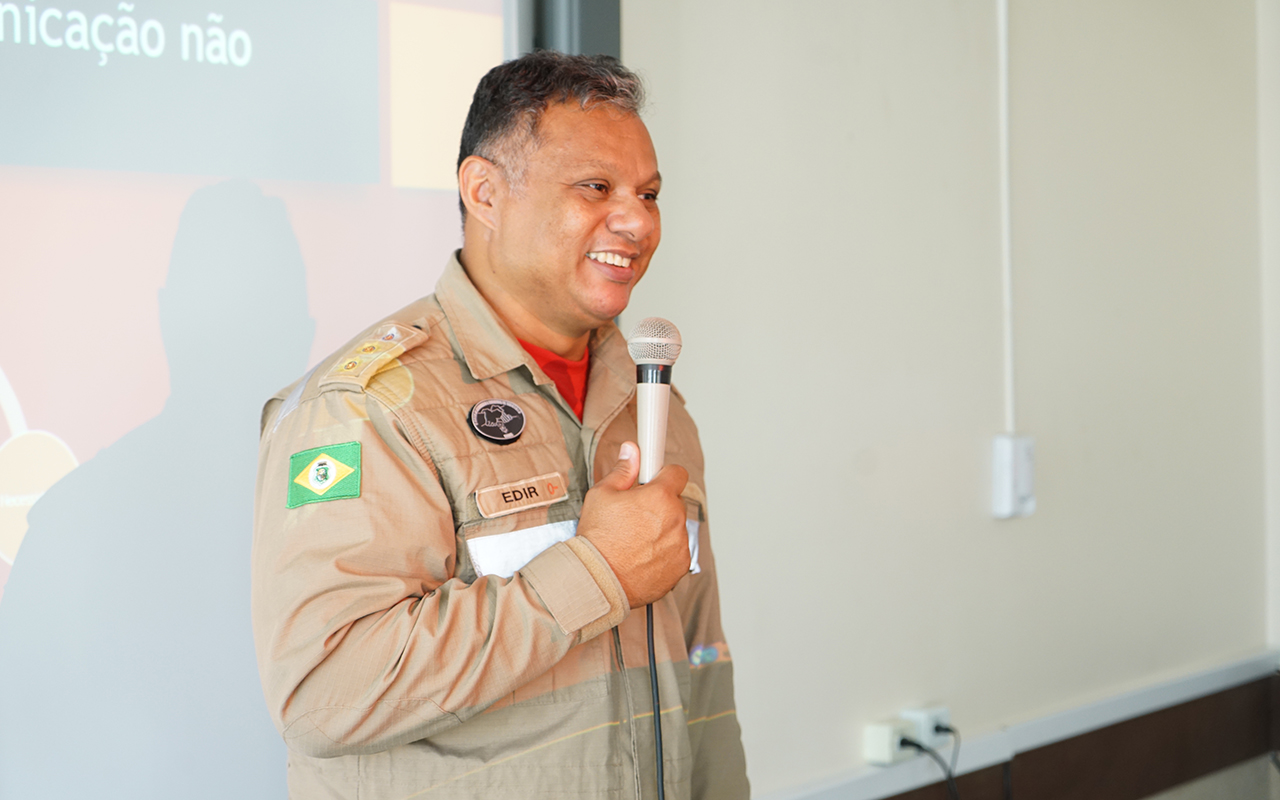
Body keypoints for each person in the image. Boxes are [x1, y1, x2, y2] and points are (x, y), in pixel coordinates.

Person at [252, 52, 749, 799]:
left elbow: (699, 661)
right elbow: (324, 695)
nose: (638, 221)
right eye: (596, 188)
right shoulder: (368, 408)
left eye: (649, 194)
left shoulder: (651, 402)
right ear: (484, 191)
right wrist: (598, 571)